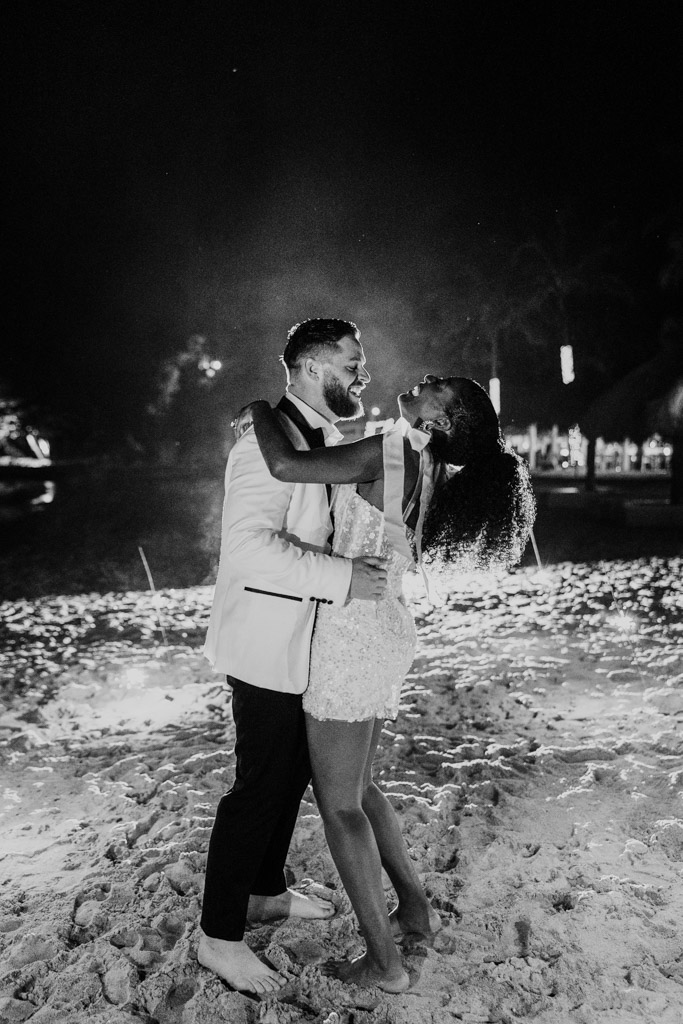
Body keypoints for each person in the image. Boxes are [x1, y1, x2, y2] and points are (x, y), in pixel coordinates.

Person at [244, 373, 536, 992]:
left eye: (439, 387)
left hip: (352, 633)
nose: (424, 380)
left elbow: (285, 463)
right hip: (382, 627)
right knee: (363, 788)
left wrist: (257, 409)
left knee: (340, 804)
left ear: (445, 421)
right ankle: (415, 910)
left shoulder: (393, 450)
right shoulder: (421, 461)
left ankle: (384, 963)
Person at [198, 318, 389, 996]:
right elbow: (248, 549)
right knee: (259, 784)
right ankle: (218, 934)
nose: (361, 373)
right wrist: (343, 580)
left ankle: (262, 892)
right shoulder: (261, 443)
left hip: (309, 642)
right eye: (349, 361)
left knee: (288, 775)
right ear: (308, 364)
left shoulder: (321, 438)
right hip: (263, 640)